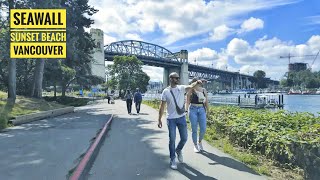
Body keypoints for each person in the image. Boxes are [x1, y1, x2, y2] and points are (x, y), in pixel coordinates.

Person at [158, 72, 202, 170]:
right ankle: (173, 159)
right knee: (172, 139)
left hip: (181, 117)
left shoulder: (181, 88)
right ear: (171, 79)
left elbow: (191, 86)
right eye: (176, 78)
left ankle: (178, 150)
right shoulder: (165, 91)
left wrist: (197, 82)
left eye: (178, 78)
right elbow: (162, 106)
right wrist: (159, 119)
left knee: (184, 138)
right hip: (171, 119)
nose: (178, 80)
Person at [186, 78, 209, 153]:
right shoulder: (191, 90)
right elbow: (188, 101)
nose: (198, 84)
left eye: (199, 83)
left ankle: (199, 142)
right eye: (196, 83)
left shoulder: (203, 90)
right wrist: (186, 110)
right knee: (194, 129)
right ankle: (195, 145)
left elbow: (206, 102)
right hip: (192, 109)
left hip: (202, 109)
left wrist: (208, 111)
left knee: (203, 128)